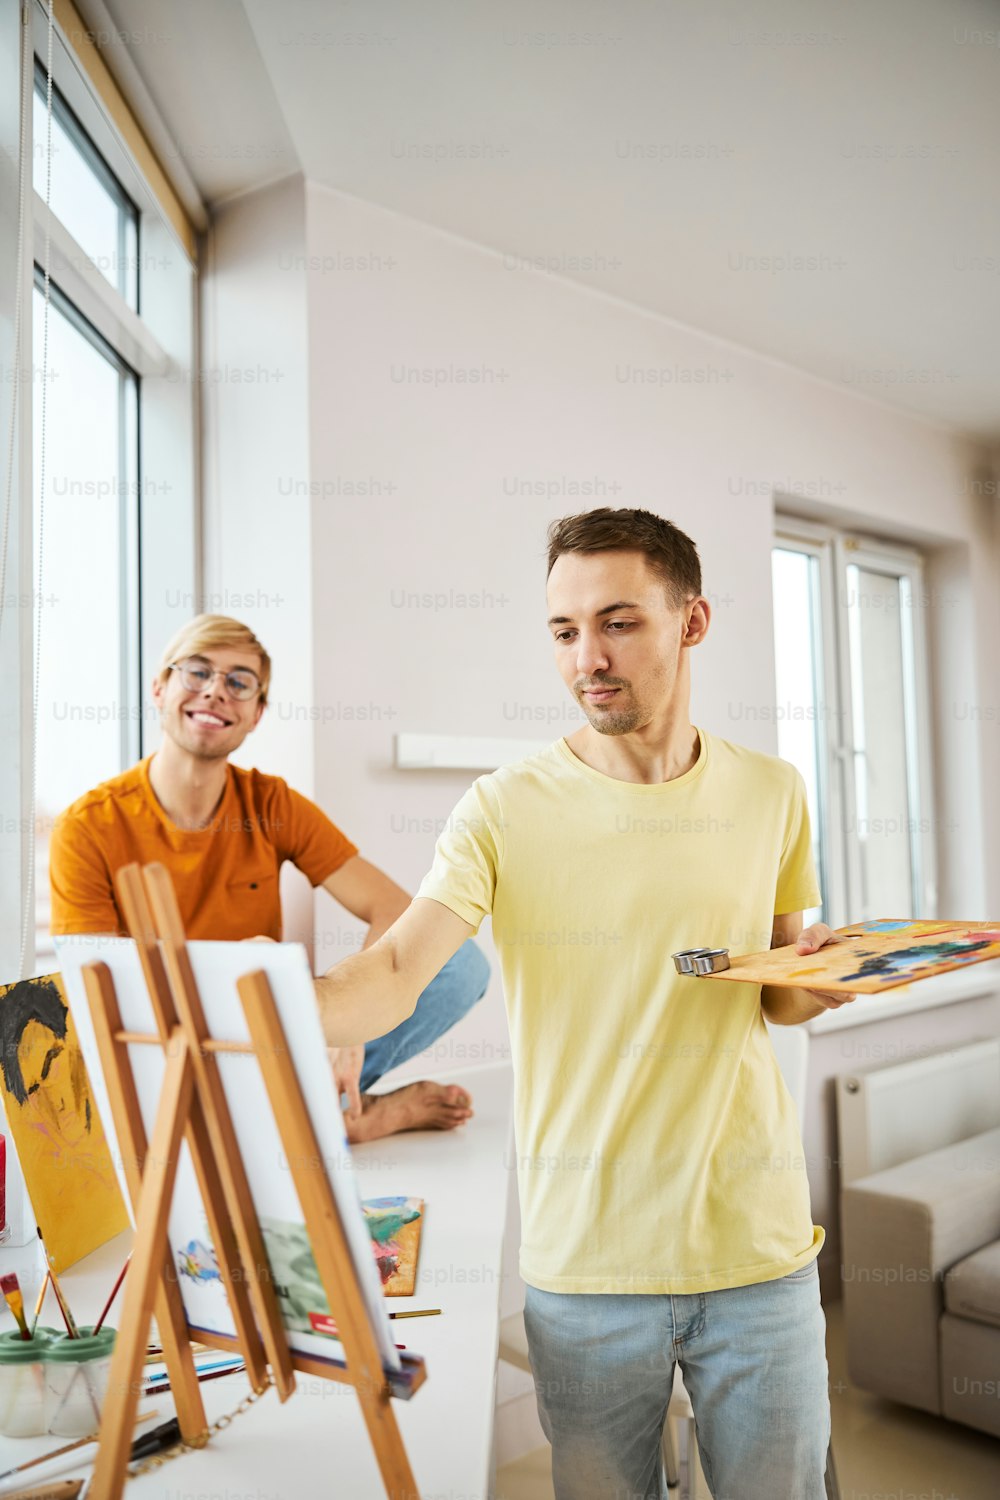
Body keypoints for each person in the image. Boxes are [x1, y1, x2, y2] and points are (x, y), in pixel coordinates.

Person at [310, 507, 856, 1499]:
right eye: (563, 631)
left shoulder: (773, 791)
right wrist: (229, 1013)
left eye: (618, 622)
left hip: (759, 1249)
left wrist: (817, 978)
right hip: (587, 1269)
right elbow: (395, 974)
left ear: (691, 622)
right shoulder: (501, 807)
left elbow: (777, 997)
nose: (585, 658)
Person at [49, 613, 490, 1143]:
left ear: (256, 714)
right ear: (160, 688)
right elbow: (96, 995)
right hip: (165, 1050)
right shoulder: (88, 825)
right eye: (197, 672)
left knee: (458, 962)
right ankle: (347, 1117)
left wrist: (351, 1019)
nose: (215, 692)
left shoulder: (271, 803)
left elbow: (395, 912)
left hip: (266, 1040)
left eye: (239, 682)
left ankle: (301, 1109)